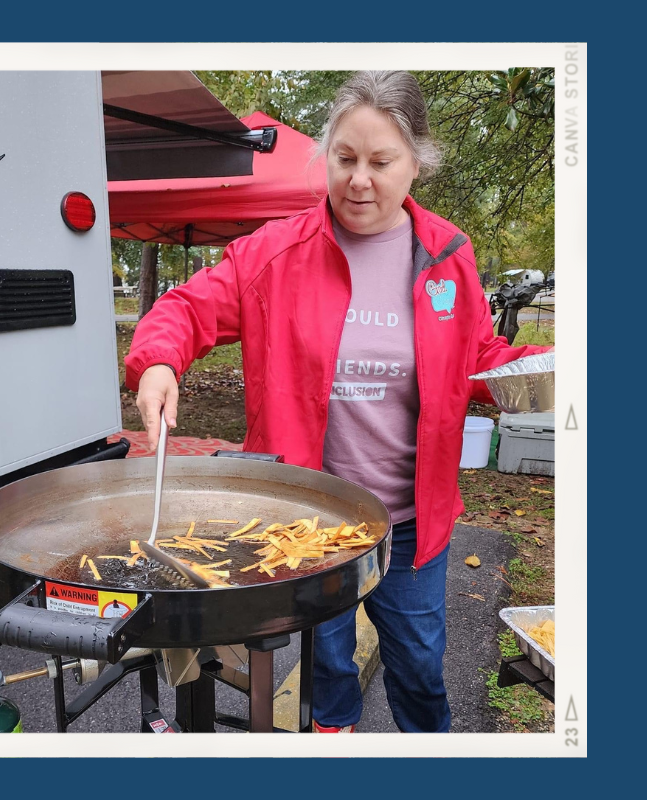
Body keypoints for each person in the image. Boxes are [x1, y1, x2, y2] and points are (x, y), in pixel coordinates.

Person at [124, 70, 551, 733]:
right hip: (307, 522)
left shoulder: (448, 255)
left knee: (417, 662)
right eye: (345, 158)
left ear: (417, 164)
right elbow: (186, 307)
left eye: (381, 162)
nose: (359, 179)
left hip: (411, 520)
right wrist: (157, 359)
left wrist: (548, 370)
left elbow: (475, 359)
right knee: (326, 663)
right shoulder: (274, 253)